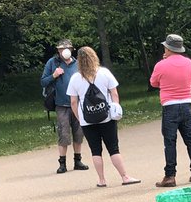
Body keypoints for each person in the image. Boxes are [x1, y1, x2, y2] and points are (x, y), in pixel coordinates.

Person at [66, 46, 140, 188]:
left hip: (87, 119)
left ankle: (101, 180)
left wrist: (80, 118)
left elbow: (73, 102)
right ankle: (124, 176)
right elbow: (114, 93)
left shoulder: (75, 78)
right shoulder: (104, 73)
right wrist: (115, 108)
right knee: (113, 148)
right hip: (106, 117)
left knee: (95, 150)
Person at [150, 33, 191, 188]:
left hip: (170, 105)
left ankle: (170, 175)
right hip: (186, 104)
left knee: (170, 141)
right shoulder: (189, 63)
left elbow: (153, 82)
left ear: (169, 48)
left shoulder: (161, 65)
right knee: (190, 139)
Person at [40, 39, 90, 174]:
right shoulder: (52, 63)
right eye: (62, 49)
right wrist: (54, 75)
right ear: (58, 51)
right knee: (63, 134)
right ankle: (62, 163)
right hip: (61, 104)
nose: (64, 51)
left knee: (79, 132)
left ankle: (77, 160)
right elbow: (43, 82)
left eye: (67, 48)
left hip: (78, 103)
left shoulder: (78, 63)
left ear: (71, 49)